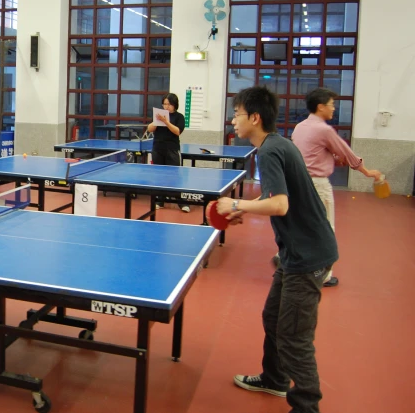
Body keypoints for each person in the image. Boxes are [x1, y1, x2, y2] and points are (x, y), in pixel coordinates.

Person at [216, 86, 337, 413]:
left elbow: (281, 205)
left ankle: (306, 407)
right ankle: (275, 379)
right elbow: (277, 194)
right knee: (273, 317)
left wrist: (236, 201)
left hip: (308, 256)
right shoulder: (279, 143)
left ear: (254, 118)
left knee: (294, 338)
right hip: (295, 252)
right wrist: (247, 208)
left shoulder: (269, 151)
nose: (233, 119)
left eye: (237, 114)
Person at [287, 87, 381, 287]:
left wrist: (333, 159)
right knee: (325, 228)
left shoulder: (300, 127)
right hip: (318, 185)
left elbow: (311, 153)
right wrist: (367, 171)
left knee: (302, 225)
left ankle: (288, 261)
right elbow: (347, 154)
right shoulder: (324, 129)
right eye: (331, 105)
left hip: (298, 182)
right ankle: (324, 275)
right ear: (321, 107)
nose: (334, 109)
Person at [146, 93, 189, 212]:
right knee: (159, 176)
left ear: (174, 105)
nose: (166, 106)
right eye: (164, 104)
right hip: (158, 148)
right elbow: (149, 129)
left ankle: (181, 202)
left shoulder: (179, 117)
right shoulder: (158, 115)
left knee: (175, 176)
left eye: (169, 104)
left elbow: (177, 131)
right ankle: (160, 201)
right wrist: (157, 121)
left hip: (172, 149)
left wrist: (166, 121)